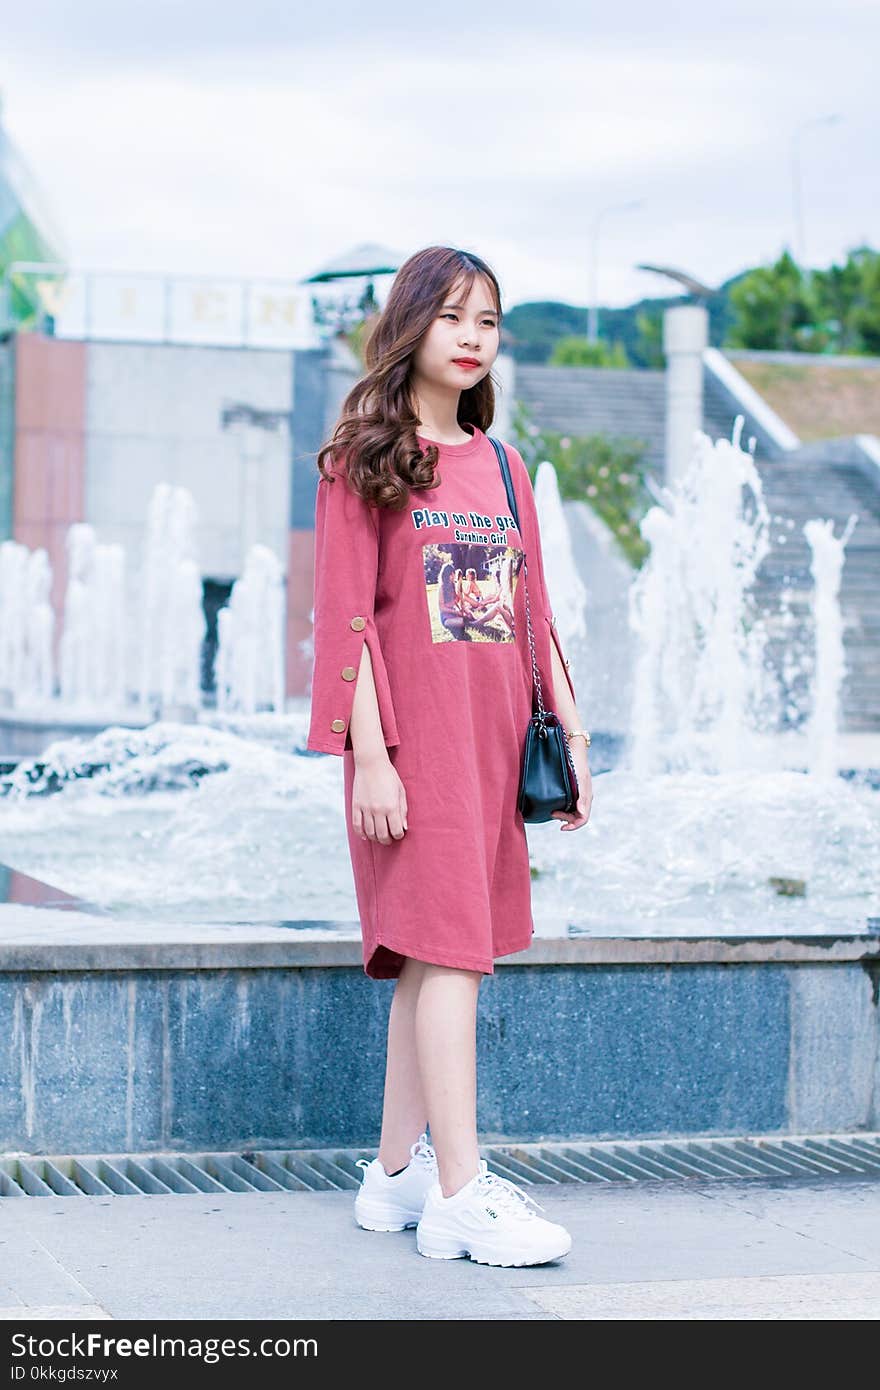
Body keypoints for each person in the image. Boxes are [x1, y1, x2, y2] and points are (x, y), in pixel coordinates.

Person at [306, 245, 593, 1268]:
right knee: (452, 955)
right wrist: (371, 758)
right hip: (409, 749)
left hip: (487, 749)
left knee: (433, 954)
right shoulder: (363, 457)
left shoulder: (504, 467)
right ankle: (463, 1191)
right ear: (412, 326)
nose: (473, 338)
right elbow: (347, 620)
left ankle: (392, 1179)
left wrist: (570, 732)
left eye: (489, 321)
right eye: (454, 318)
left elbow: (531, 614)